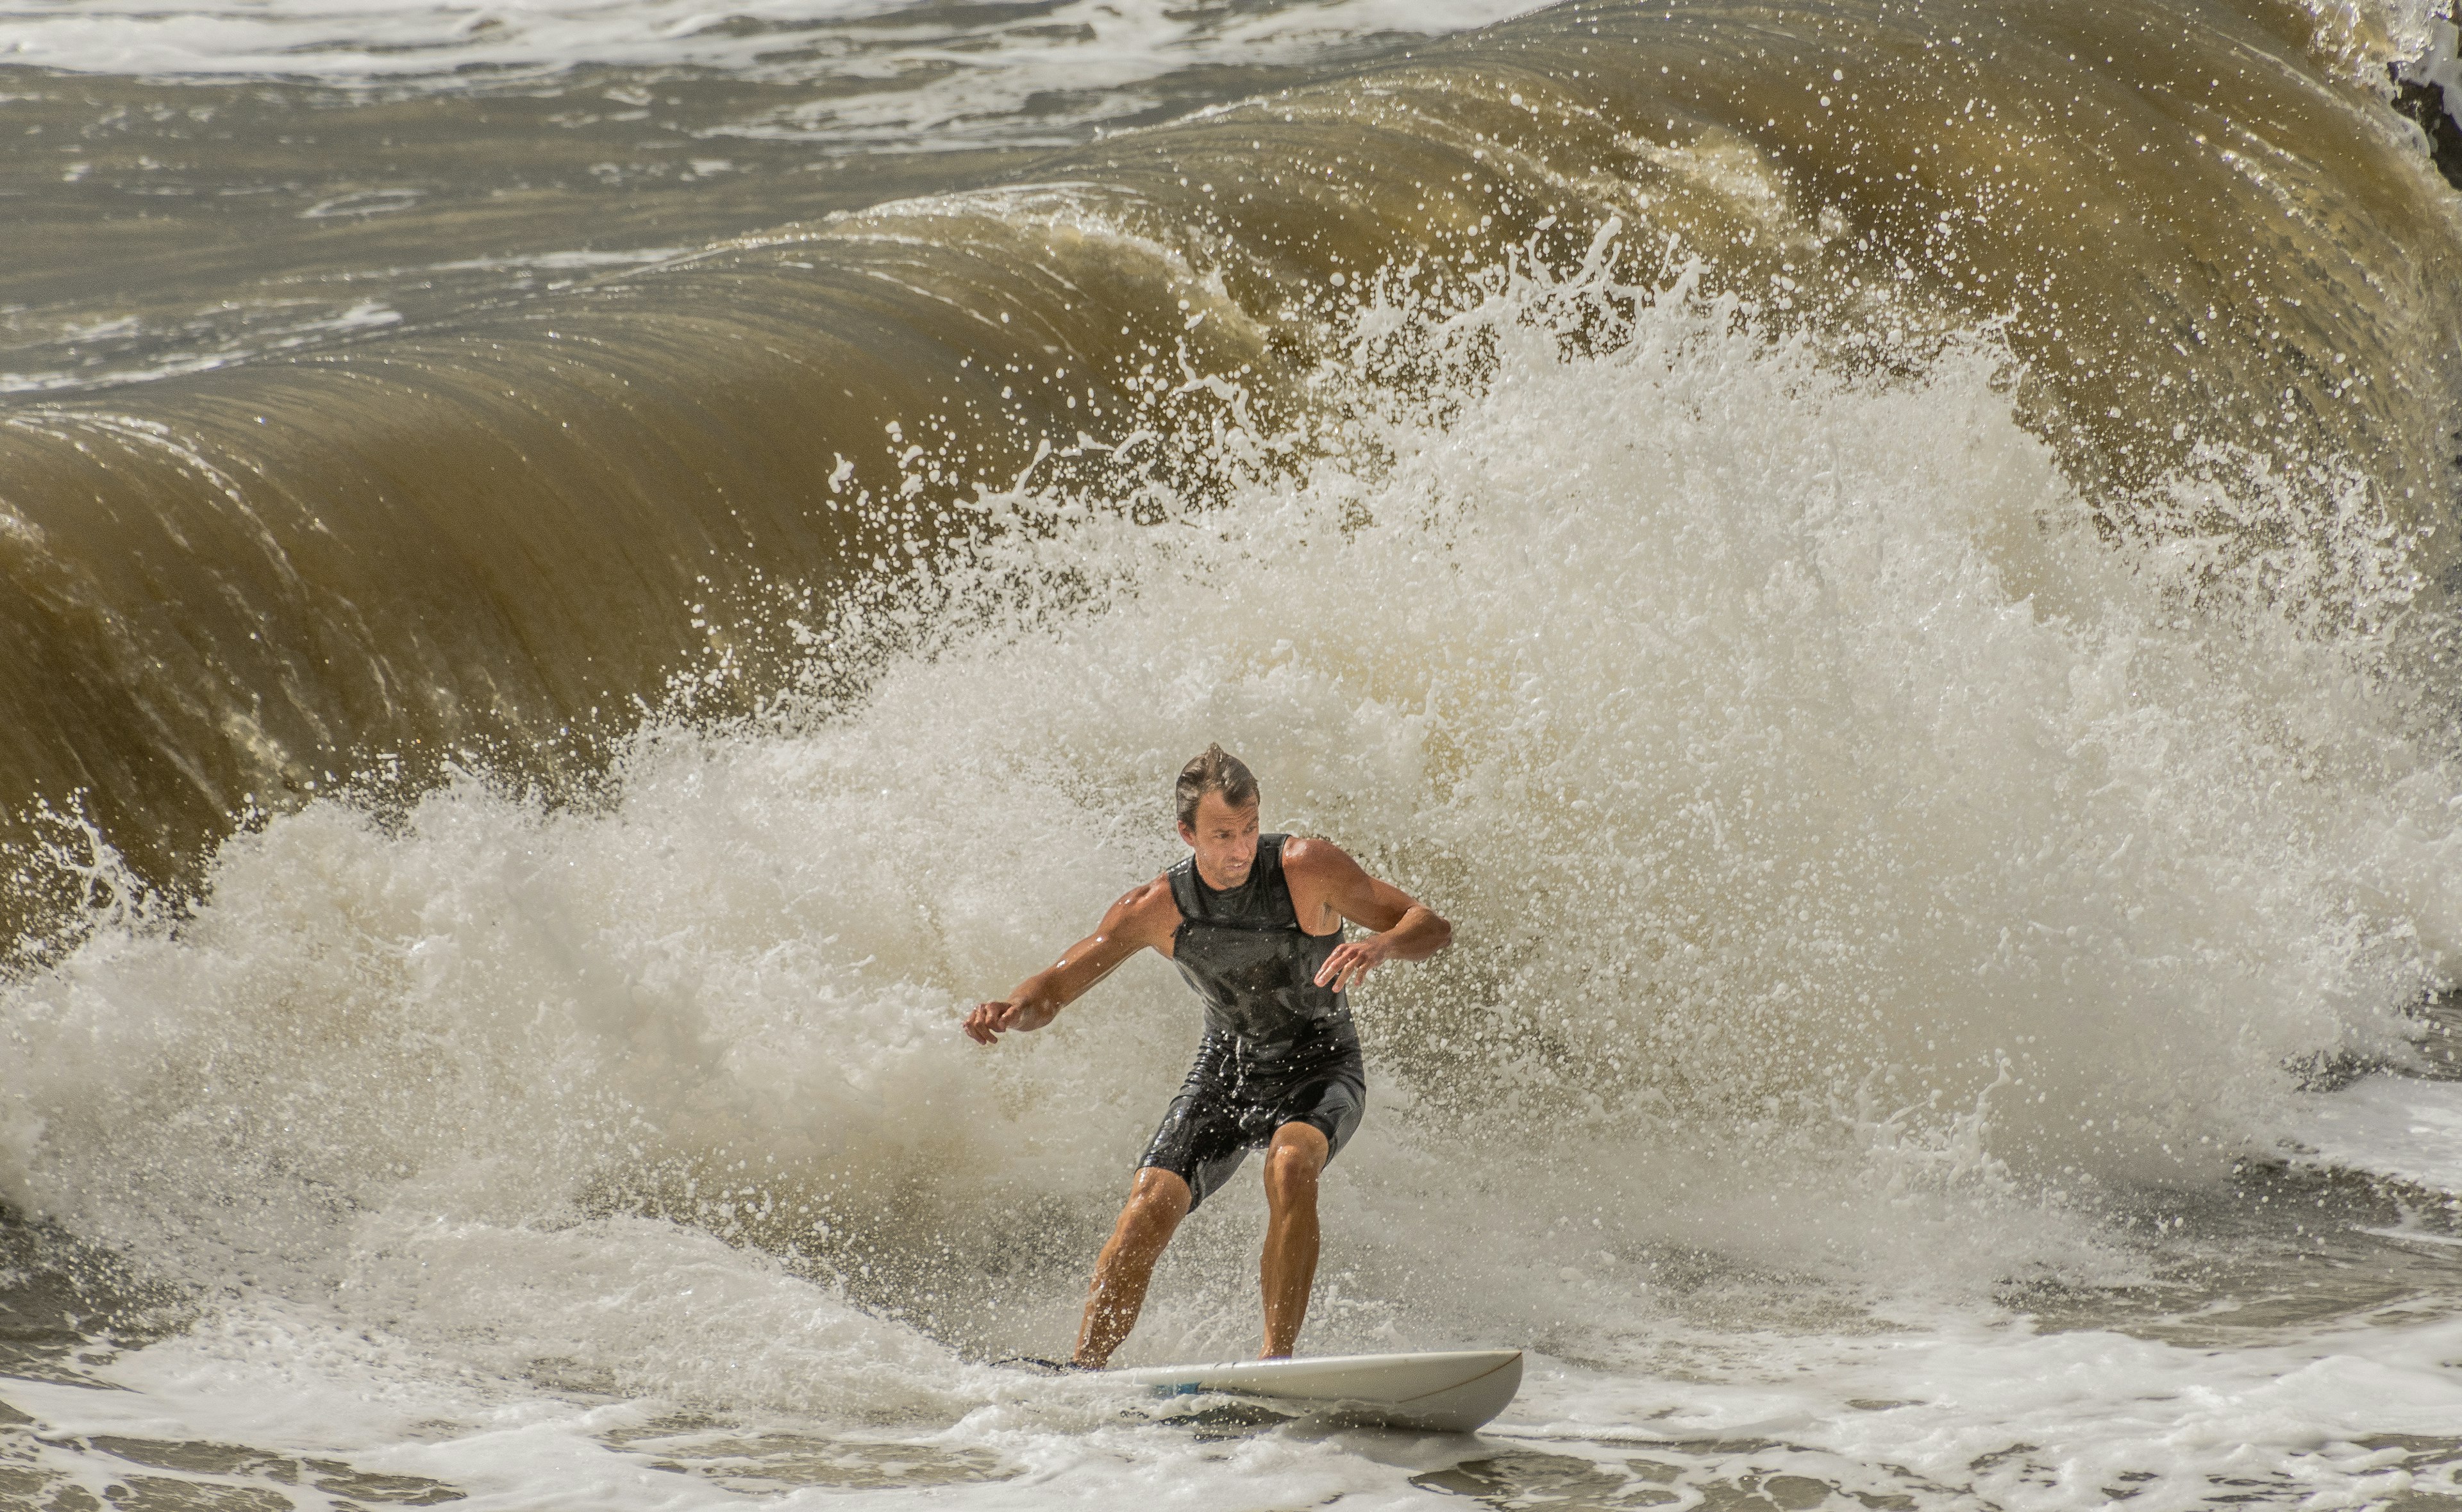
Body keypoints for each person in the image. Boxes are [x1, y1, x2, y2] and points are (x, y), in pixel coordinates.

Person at [964, 744, 1453, 1367]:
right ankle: (1085, 1369)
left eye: (1249, 829)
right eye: (1223, 834)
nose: (1242, 848)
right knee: (1148, 1205)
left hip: (1320, 1065)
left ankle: (1277, 1363)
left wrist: (1382, 945)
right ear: (1187, 832)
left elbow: (1431, 925)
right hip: (1227, 1071)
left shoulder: (1307, 867)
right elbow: (1057, 985)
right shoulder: (1157, 907)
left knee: (1291, 1167)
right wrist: (1009, 1009)